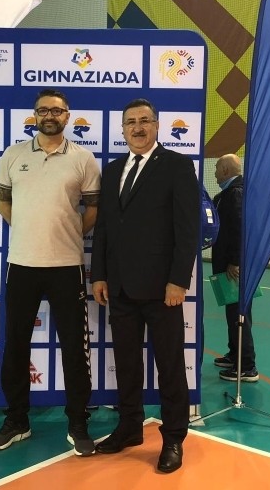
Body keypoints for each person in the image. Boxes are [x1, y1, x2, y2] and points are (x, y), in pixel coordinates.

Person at [0, 89, 101, 457]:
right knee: (16, 345)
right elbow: (2, 202)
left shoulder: (83, 159)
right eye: (43, 110)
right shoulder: (13, 155)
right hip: (21, 264)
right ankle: (17, 420)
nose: (49, 115)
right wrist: (27, 228)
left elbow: (93, 209)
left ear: (67, 116)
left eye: (56, 110)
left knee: (74, 349)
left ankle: (77, 422)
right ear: (34, 115)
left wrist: (67, 233)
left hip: (67, 266)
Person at [91, 98, 200, 474]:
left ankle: (174, 438)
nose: (137, 128)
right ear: (123, 129)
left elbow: (188, 229)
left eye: (144, 121)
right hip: (120, 287)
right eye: (130, 123)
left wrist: (178, 280)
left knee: (170, 366)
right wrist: (99, 274)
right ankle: (129, 428)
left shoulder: (177, 166)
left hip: (162, 290)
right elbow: (105, 227)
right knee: (126, 364)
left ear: (156, 126)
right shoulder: (112, 170)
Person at [210, 154, 258, 383]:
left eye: (217, 168)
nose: (214, 172)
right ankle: (234, 354)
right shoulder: (228, 194)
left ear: (226, 170)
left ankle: (246, 366)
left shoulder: (236, 194)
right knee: (232, 313)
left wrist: (235, 261)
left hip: (234, 268)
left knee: (239, 315)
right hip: (228, 265)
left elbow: (240, 229)